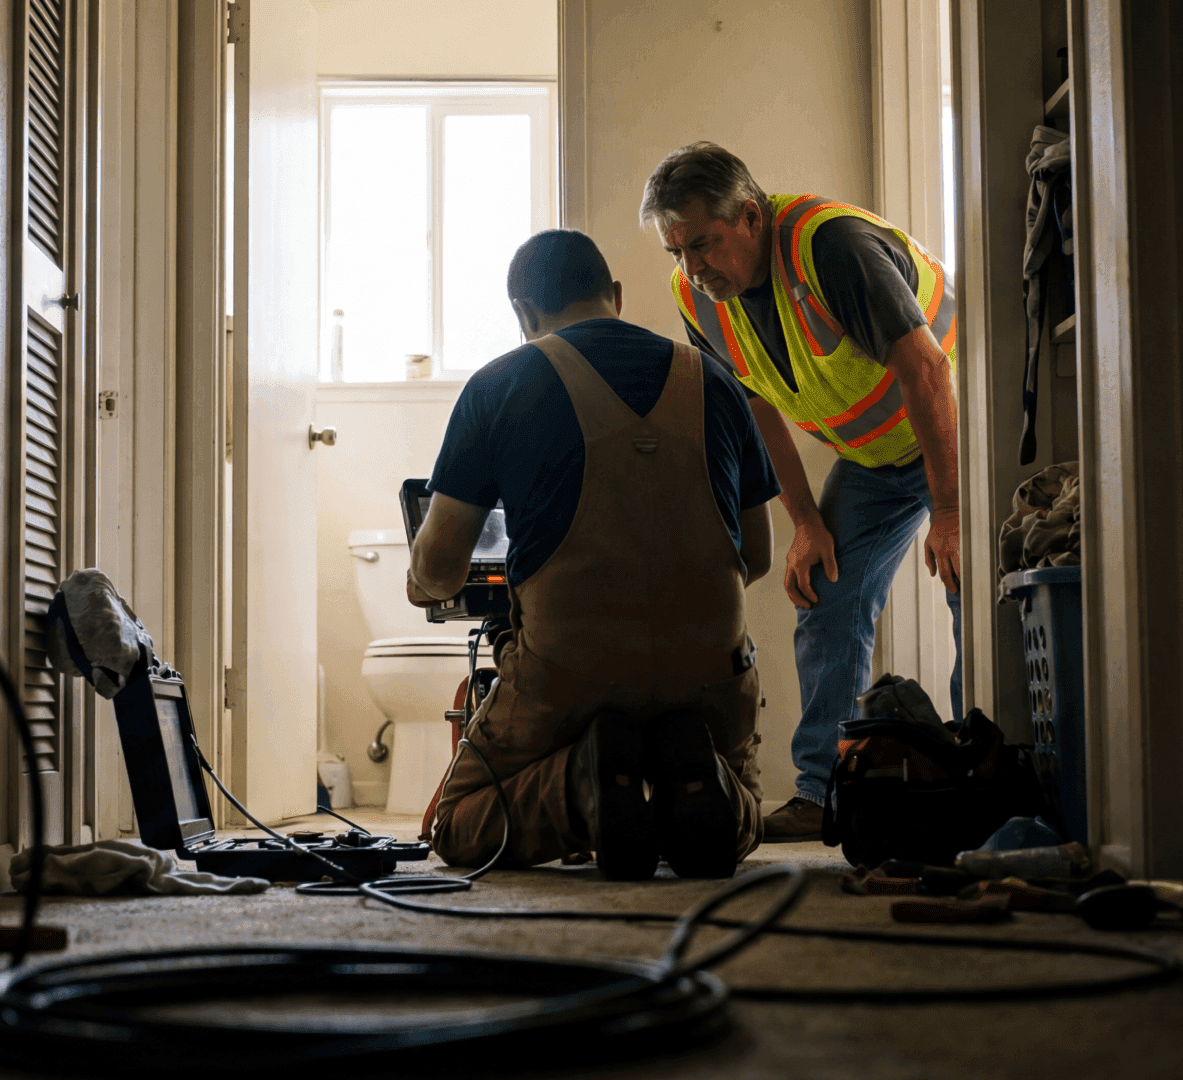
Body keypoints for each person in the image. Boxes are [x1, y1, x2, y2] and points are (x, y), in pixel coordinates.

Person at [410, 229, 781, 879]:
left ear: (523, 315)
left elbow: (438, 571)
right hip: (707, 673)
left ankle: (581, 790)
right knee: (742, 802)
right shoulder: (718, 382)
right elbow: (756, 556)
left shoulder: (497, 384)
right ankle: (706, 789)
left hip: (568, 672)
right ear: (614, 294)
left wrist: (424, 580)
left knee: (456, 821)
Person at [642, 142, 963, 844]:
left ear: (751, 218)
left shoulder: (831, 247)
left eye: (705, 244)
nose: (693, 269)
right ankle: (824, 794)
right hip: (875, 458)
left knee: (969, 586)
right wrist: (805, 521)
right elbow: (756, 402)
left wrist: (951, 512)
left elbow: (928, 372)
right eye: (676, 252)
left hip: (959, 429)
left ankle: (975, 778)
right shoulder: (698, 297)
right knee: (824, 591)